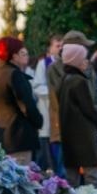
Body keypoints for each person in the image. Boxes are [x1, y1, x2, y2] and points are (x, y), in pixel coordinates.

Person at [0, 37, 43, 164]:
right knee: (20, 172)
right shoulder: (14, 75)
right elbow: (27, 105)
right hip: (19, 135)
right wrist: (39, 121)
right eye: (21, 52)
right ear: (13, 56)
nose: (26, 55)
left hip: (4, 133)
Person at [58, 43, 97, 188]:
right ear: (75, 61)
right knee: (92, 177)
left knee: (71, 179)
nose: (86, 61)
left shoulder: (64, 79)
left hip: (69, 134)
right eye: (83, 58)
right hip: (84, 135)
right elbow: (88, 108)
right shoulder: (79, 81)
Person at [31, 33, 63, 172]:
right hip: (48, 110)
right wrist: (54, 93)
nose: (61, 48)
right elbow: (37, 86)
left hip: (64, 113)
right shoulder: (43, 63)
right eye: (58, 45)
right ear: (51, 48)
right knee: (49, 156)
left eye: (63, 46)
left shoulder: (67, 63)